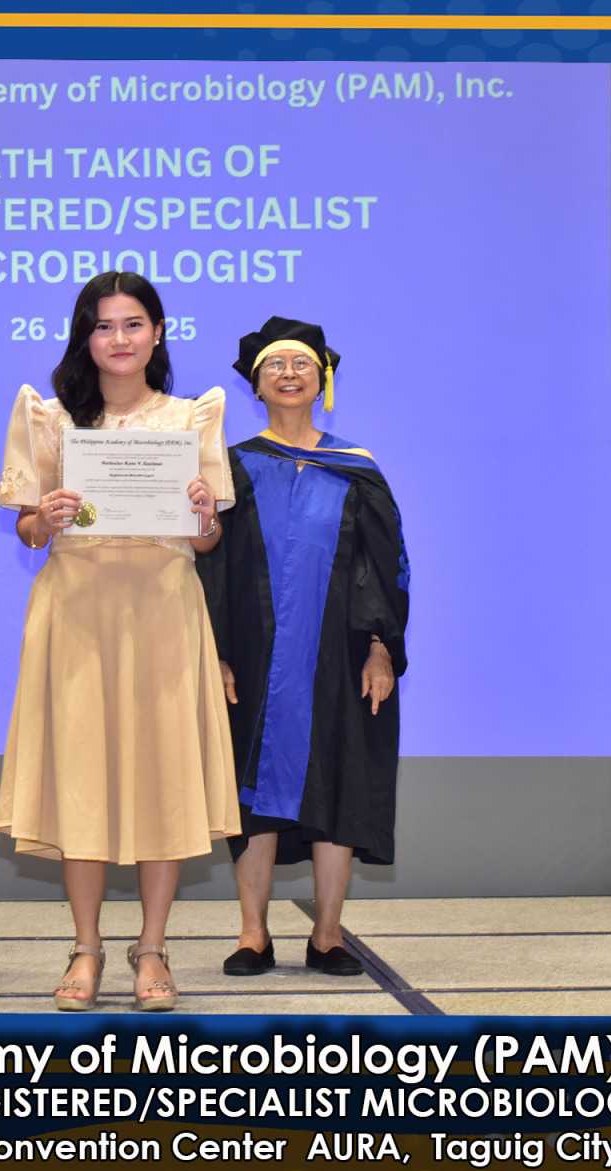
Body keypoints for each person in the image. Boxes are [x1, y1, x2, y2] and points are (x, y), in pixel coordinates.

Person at [0, 272, 238, 1011]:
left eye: (134, 324)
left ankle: (153, 947)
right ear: (85, 337)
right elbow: (27, 528)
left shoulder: (192, 417)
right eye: (103, 326)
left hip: (163, 609)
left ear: (158, 333)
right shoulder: (50, 419)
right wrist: (46, 517)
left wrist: (203, 512)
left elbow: (207, 539)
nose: (120, 338)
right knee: (83, 776)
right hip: (77, 610)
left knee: (164, 774)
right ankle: (87, 947)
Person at [197, 316, 410, 978]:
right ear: (255, 384)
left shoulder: (357, 469)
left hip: (338, 659)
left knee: (339, 783)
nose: (288, 374)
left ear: (323, 381)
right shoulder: (231, 469)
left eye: (301, 365)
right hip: (251, 658)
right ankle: (253, 934)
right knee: (250, 795)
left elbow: (384, 566)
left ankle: (327, 934)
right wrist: (216, 652)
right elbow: (209, 568)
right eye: (274, 366)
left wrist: (380, 648)